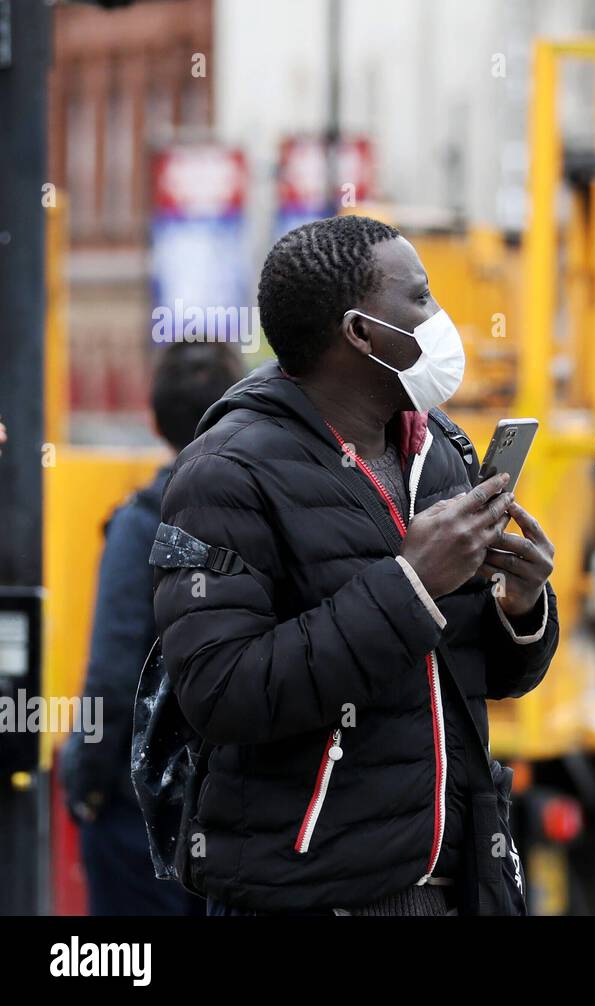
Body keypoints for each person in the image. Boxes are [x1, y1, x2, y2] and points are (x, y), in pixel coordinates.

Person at [151, 215, 559, 916]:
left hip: (458, 886)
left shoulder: (442, 450)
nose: (441, 319)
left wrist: (520, 608)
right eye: (421, 299)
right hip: (311, 895)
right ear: (360, 334)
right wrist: (409, 584)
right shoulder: (226, 472)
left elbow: (475, 678)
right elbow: (220, 693)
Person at [60, 341, 244, 915]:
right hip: (236, 811)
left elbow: (112, 678)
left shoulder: (141, 524)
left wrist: (85, 783)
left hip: (140, 815)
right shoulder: (262, 518)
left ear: (154, 417)